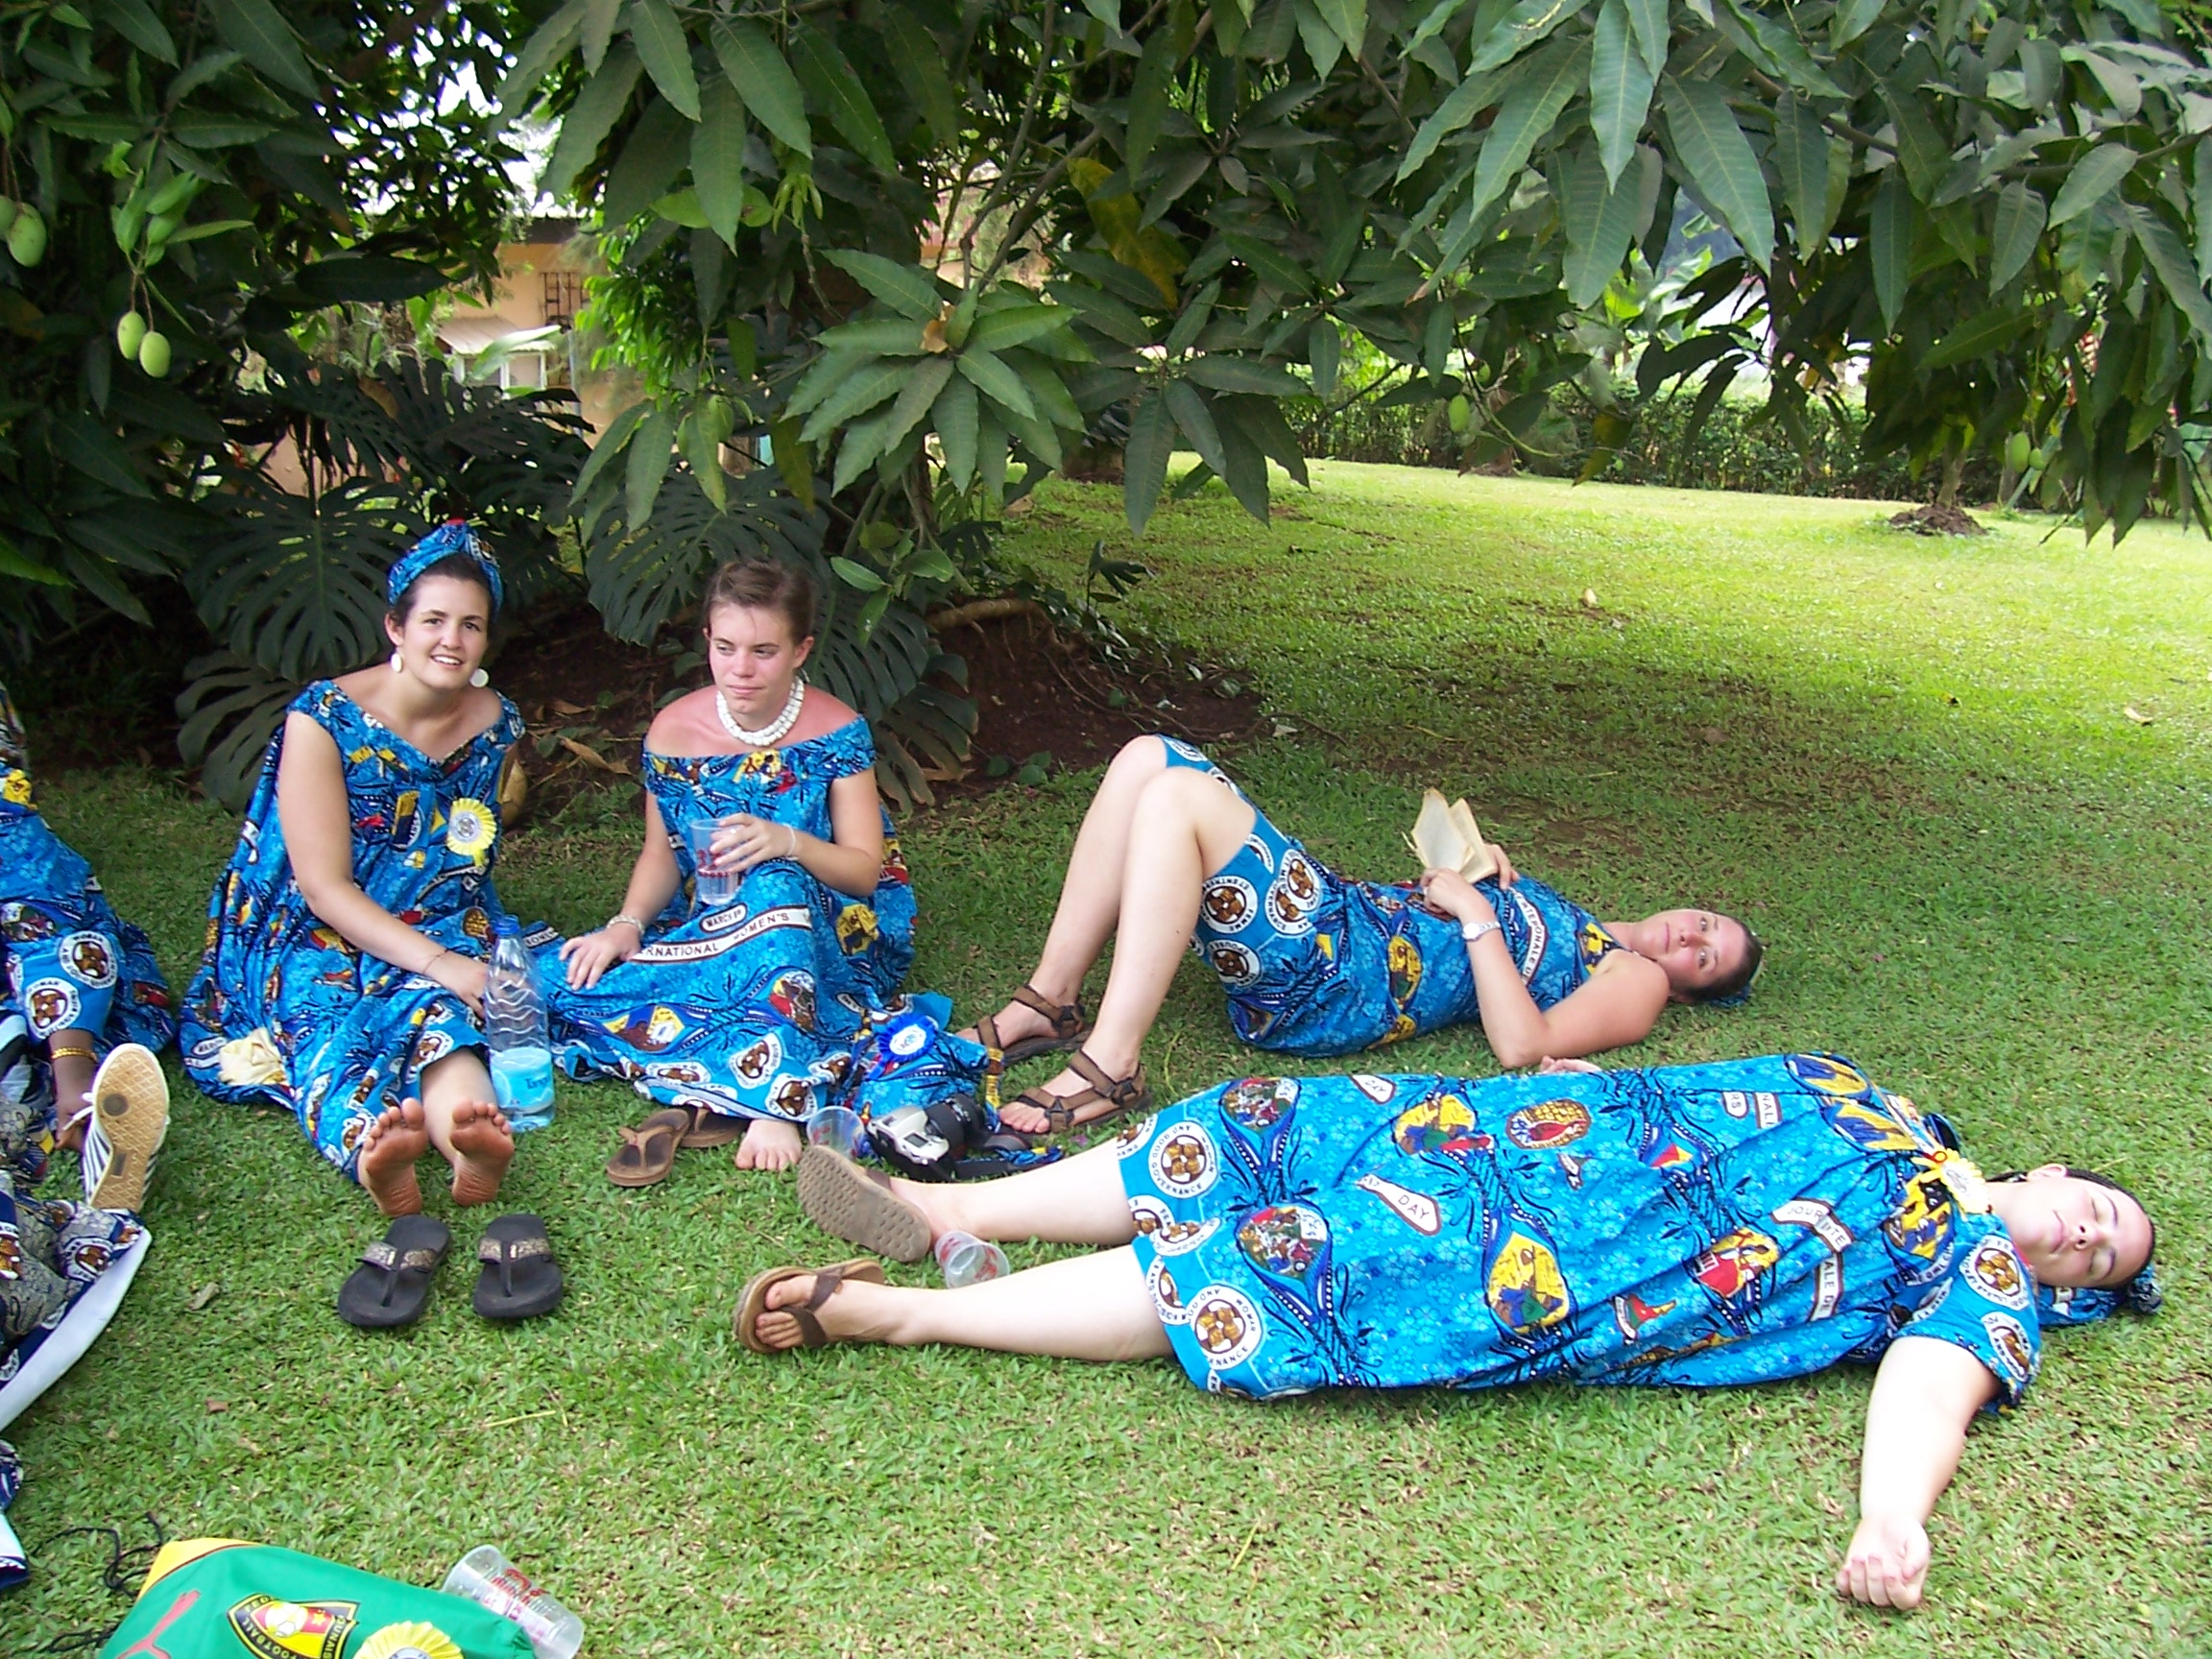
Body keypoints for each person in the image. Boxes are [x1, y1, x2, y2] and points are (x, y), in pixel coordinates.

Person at [751, 1050, 2157, 1611]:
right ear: (2053, 1170)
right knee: (1259, 1128)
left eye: (2101, 1256)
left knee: (1289, 1269)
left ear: (2066, 1289)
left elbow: (1930, 1377)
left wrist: (1894, 1519)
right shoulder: (1878, 1098)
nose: (2088, 1231)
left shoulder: (1968, 1268)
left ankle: (922, 1316)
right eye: (2099, 1203)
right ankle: (949, 1200)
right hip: (1523, 1129)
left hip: (1563, 1257)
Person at [970, 735, 1761, 1135]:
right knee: (1151, 755)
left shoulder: (1637, 978)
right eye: (1707, 925)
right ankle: (1051, 999)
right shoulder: (1577, 920)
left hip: (1343, 982)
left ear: (1694, 986)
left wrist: (1479, 916)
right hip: (1347, 922)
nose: (1690, 940)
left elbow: (1525, 1043)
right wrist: (1480, 878)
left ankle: (1113, 1062)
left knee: (1178, 796)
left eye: (1706, 959)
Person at [180, 522, 526, 1216]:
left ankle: (469, 1144)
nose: (451, 641)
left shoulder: (497, 723)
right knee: (325, 1009)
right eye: (433, 620)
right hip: (311, 926)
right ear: (395, 627)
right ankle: (372, 1147)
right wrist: (441, 961)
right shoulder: (324, 719)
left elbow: (464, 844)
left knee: (445, 1015)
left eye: (471, 625)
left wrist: (448, 959)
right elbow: (322, 886)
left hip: (438, 913)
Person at [549, 556, 915, 1176]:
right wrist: (628, 923)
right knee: (561, 985)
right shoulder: (672, 732)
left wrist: (785, 841)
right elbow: (662, 852)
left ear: (800, 650)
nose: (741, 670)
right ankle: (735, 1047)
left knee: (775, 882)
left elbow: (863, 872)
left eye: (764, 651)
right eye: (726, 648)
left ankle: (777, 1098)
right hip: (717, 924)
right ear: (707, 644)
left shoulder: (837, 732)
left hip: (827, 924)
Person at [0, 684, 175, 1148]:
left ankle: (76, 1089)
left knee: (63, 936)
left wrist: (70, 1061)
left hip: (38, 936)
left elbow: (38, 895)